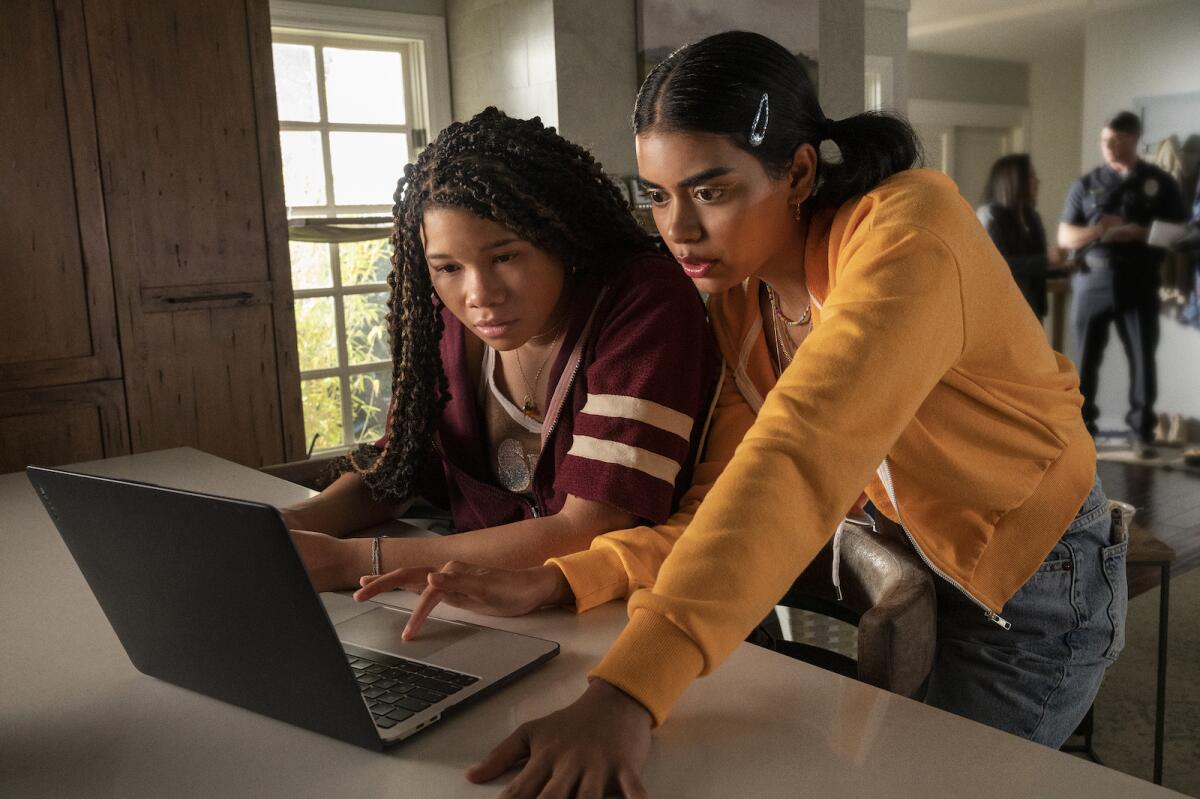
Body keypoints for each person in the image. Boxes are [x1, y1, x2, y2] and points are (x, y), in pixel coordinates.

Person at [357, 31, 1128, 797]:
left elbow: (795, 459)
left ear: (796, 171)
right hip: (914, 557)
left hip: (1037, 583)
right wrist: (565, 579)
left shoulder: (910, 238)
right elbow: (721, 500)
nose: (678, 229)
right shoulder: (737, 292)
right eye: (657, 194)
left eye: (711, 190)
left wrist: (628, 690)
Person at [282, 108, 719, 592]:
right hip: (484, 605)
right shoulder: (450, 324)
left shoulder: (642, 299)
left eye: (504, 256)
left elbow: (590, 529)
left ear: (560, 237)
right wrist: (295, 522)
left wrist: (353, 561)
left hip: (636, 611)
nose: (479, 294)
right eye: (448, 268)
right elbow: (402, 467)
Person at [1058, 111, 1188, 457]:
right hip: (1092, 279)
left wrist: (1139, 232)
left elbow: (1181, 232)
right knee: (1084, 360)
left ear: (1134, 138)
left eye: (1116, 141)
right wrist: (1100, 230)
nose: (1109, 148)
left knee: (1142, 357)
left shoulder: (1159, 182)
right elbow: (1065, 235)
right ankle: (1081, 431)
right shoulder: (1086, 185)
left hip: (1139, 277)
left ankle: (1141, 432)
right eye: (1105, 141)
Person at [977, 154, 1051, 322]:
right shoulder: (989, 216)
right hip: (1001, 309)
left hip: (1032, 307)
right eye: (1031, 176)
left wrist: (1062, 264)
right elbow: (997, 264)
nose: (1037, 181)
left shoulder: (1032, 216)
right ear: (1014, 180)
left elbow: (1036, 262)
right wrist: (1047, 261)